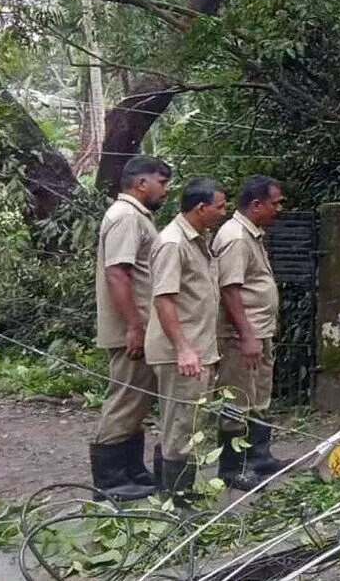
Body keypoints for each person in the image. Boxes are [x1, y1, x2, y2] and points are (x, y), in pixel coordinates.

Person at [90, 155, 173, 502]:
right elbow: (117, 273)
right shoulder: (125, 217)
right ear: (141, 183)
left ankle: (131, 471)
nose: (166, 189)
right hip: (131, 328)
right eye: (162, 182)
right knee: (125, 398)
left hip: (139, 325)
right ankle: (109, 480)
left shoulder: (135, 216)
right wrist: (134, 327)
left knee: (137, 399)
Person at [145, 176, 229, 501]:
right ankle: (174, 498)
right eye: (220, 207)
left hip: (200, 349)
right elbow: (163, 299)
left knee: (191, 422)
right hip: (182, 352)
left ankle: (180, 491)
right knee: (180, 424)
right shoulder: (173, 243)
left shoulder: (199, 238)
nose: (225, 212)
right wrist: (183, 348)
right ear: (201, 207)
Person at [214, 176, 289, 490]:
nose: (279, 209)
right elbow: (229, 290)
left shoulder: (251, 234)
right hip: (239, 336)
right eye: (275, 203)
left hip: (258, 331)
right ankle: (231, 468)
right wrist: (245, 335)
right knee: (237, 398)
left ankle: (259, 456)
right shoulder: (235, 237)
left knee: (258, 395)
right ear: (256, 205)